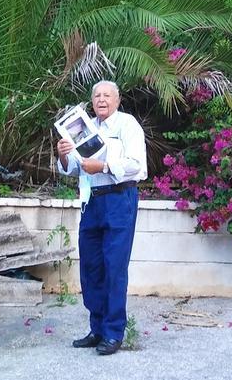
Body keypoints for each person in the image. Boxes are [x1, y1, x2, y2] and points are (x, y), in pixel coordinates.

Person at [56, 80, 147, 356]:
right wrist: (62, 156)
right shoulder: (83, 127)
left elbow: (137, 166)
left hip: (120, 199)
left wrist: (105, 165)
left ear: (117, 100)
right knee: (92, 268)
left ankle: (113, 332)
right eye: (97, 96)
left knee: (114, 267)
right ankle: (97, 329)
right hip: (91, 203)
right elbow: (72, 168)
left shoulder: (127, 125)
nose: (102, 100)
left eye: (107, 95)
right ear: (92, 101)